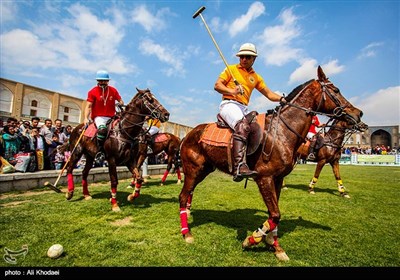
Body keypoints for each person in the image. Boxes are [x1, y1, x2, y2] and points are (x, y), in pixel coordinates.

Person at [214, 43, 286, 182]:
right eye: (241, 56)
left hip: (243, 107)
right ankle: (239, 166)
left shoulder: (256, 77)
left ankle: (253, 162)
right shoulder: (231, 69)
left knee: (257, 129)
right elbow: (217, 85)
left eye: (248, 57)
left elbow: (269, 94)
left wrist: (283, 99)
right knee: (243, 126)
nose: (244, 59)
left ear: (254, 59)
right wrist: (232, 91)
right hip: (229, 104)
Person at [84, 70, 124, 161]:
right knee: (102, 130)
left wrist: (120, 103)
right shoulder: (92, 91)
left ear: (108, 81)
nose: (103, 82)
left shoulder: (113, 90)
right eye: (100, 80)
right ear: (97, 81)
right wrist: (86, 118)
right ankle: (100, 151)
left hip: (112, 116)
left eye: (105, 81)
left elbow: (121, 101)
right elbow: (88, 106)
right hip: (99, 117)